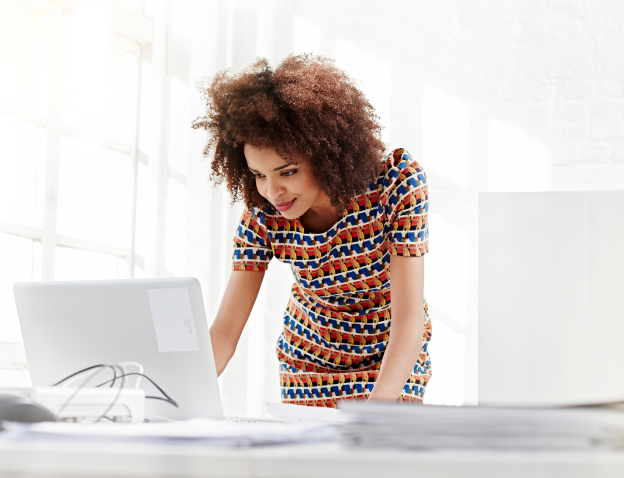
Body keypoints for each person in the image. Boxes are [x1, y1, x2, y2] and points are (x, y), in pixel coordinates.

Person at [192, 54, 432, 407]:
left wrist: (375, 414)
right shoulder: (264, 213)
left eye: (287, 171)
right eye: (260, 175)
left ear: (326, 154)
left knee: (377, 457)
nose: (273, 192)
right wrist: (173, 397)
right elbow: (225, 332)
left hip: (391, 355)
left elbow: (409, 321)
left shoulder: (396, 183)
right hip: (308, 365)